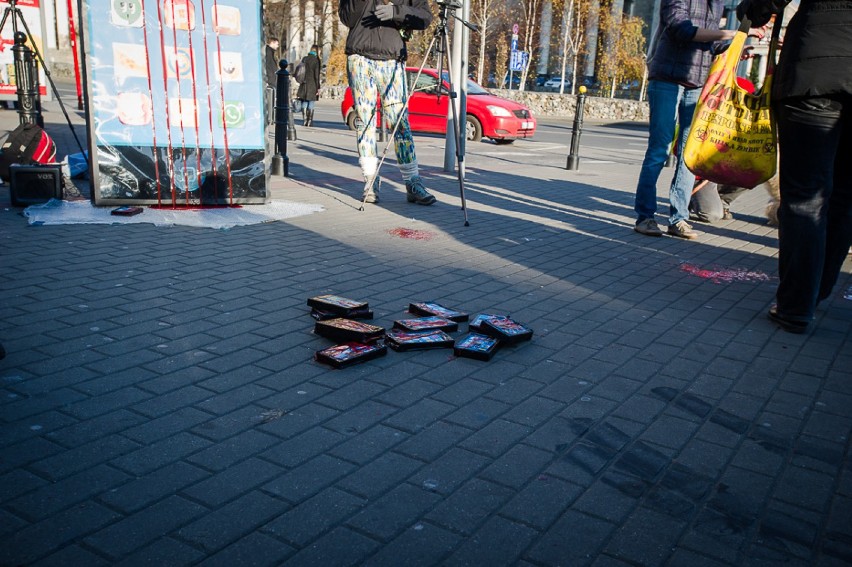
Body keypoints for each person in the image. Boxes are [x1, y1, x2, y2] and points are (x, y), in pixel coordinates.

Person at [737, 0, 852, 333]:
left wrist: (754, 10)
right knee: (844, 198)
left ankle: (796, 305)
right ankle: (816, 293)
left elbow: (761, 5)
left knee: (804, 196)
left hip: (815, 66)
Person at [633, 0, 740, 239]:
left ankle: (678, 219)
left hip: (697, 83)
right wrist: (728, 32)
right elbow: (682, 29)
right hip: (667, 79)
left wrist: (738, 41)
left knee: (688, 153)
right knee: (659, 149)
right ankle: (645, 217)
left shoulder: (718, 4)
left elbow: (712, 45)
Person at [338, 0, 436, 205]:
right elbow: (347, 18)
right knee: (365, 123)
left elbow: (425, 17)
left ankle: (412, 181)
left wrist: (396, 12)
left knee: (400, 123)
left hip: (392, 59)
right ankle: (370, 180)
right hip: (360, 58)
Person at [295, 44, 322, 127]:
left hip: (304, 83)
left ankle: (304, 120)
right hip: (312, 84)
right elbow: (316, 75)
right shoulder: (316, 60)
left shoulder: (305, 58)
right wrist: (318, 87)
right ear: (317, 51)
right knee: (311, 102)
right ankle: (309, 121)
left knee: (304, 101)